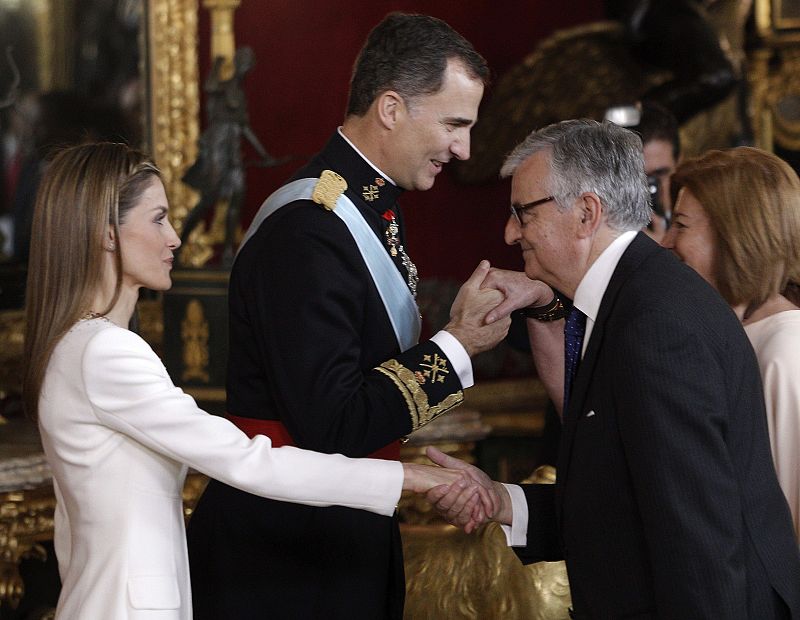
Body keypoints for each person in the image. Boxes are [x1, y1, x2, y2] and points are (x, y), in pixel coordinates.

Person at [22, 141, 491, 620]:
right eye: (158, 218)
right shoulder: (106, 351)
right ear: (106, 234)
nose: (175, 239)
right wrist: (408, 476)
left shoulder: (78, 344)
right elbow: (248, 461)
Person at [186, 12, 510, 620]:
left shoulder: (368, 209)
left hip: (332, 540)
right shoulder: (309, 228)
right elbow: (331, 424)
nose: (464, 148)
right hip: (284, 560)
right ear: (391, 108)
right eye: (454, 124)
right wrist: (459, 345)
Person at [425, 119, 800, 618]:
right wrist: (500, 500)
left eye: (523, 212)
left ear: (586, 213)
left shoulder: (655, 324)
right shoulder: (633, 301)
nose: (510, 232)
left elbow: (699, 542)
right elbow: (625, 507)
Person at [662, 146, 800, 540]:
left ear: (736, 236)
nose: (666, 241)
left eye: (682, 225)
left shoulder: (786, 351)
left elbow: (786, 528)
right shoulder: (738, 334)